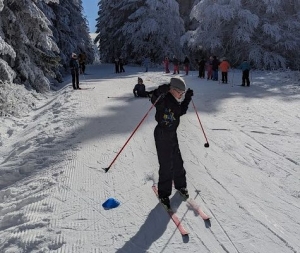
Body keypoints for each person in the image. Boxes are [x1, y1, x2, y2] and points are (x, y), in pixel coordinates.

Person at [149, 77, 194, 209]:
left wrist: (187, 98)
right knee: (166, 165)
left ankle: (181, 186)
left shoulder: (175, 102)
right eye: (180, 93)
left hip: (172, 135)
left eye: (183, 93)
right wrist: (159, 91)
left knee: (178, 162)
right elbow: (154, 99)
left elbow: (181, 111)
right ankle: (164, 194)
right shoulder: (163, 99)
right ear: (173, 90)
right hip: (162, 135)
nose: (181, 95)